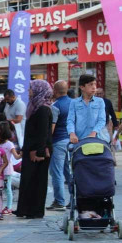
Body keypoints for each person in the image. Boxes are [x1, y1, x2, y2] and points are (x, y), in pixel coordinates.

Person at [13, 80, 53, 219]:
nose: (29, 91)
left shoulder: (43, 109)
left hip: (38, 151)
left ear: (39, 90)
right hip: (31, 148)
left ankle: (35, 210)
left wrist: (39, 152)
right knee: (28, 180)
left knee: (37, 181)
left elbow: (43, 133)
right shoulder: (35, 107)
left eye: (31, 88)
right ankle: (25, 209)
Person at [47, 81, 72, 211]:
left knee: (56, 172)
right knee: (70, 173)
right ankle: (74, 201)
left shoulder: (55, 106)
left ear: (55, 91)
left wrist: (46, 142)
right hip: (72, 141)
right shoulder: (74, 103)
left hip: (58, 141)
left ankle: (59, 201)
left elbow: (52, 127)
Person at [67, 75, 107, 144]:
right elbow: (70, 120)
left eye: (95, 84)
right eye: (90, 85)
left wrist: (93, 133)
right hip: (79, 140)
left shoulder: (100, 101)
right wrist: (71, 133)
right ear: (82, 87)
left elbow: (102, 120)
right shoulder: (74, 102)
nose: (94, 87)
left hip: (96, 139)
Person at [0, 121, 21, 215]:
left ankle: (9, 207)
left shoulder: (9, 144)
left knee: (7, 188)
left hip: (6, 171)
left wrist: (22, 154)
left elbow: (16, 156)